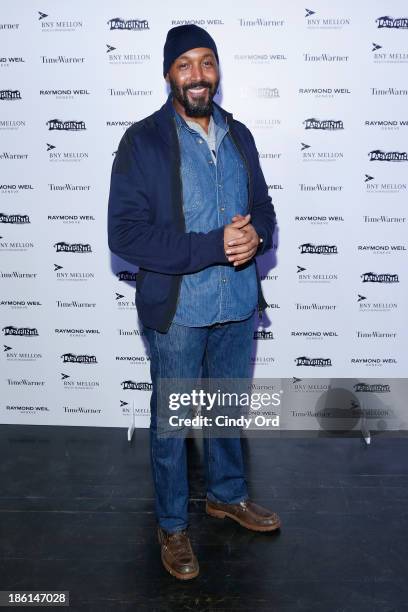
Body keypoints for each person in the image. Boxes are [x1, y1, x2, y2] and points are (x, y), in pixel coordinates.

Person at [108, 24, 280, 580]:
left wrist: (258, 238)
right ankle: (172, 526)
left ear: (217, 71)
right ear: (168, 75)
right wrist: (213, 245)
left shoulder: (240, 134)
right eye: (185, 64)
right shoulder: (143, 141)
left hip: (237, 302)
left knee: (227, 410)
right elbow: (125, 235)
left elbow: (264, 208)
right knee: (171, 425)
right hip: (179, 309)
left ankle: (227, 495)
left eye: (207, 62)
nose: (198, 75)